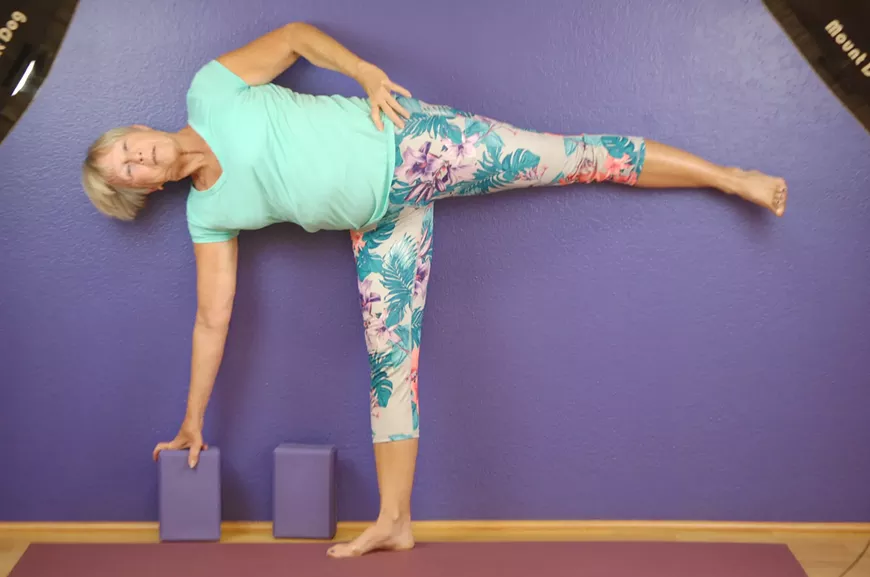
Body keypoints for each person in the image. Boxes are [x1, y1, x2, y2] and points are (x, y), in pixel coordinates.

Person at [80, 21, 787, 558]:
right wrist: (193, 419)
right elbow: (213, 316)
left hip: (412, 140)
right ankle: (394, 520)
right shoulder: (208, 213)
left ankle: (731, 178)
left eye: (127, 149)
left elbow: (294, 37)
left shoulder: (211, 89)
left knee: (569, 158)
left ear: (141, 130)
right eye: (128, 174)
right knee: (392, 365)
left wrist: (364, 74)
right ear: (145, 190)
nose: (137, 161)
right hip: (381, 224)